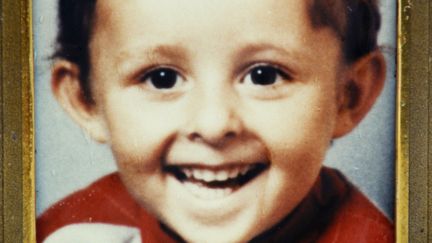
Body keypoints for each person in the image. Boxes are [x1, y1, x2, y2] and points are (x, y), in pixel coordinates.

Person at [37, 0, 394, 242]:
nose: (212, 124)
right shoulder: (70, 229)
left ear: (348, 95)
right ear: (87, 100)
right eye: (162, 78)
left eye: (264, 76)